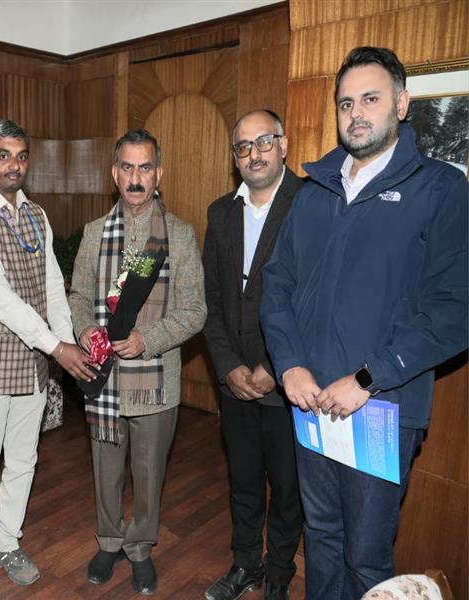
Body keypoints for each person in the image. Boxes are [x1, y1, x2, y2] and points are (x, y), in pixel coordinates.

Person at [261, 46, 468, 599]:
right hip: (311, 404)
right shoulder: (315, 192)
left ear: (401, 104)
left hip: (381, 407)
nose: (356, 113)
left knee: (367, 554)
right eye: (346, 102)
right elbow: (277, 286)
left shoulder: (441, 189)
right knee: (321, 536)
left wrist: (367, 378)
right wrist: (290, 367)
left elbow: (455, 309)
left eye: (370, 99)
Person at [0, 119, 96, 600]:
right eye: (2, 155)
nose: (13, 165)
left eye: (20, 156)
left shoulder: (36, 215)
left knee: (23, 463)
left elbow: (52, 285)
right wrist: (58, 348)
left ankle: (5, 543)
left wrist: (67, 343)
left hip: (33, 366)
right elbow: (0, 298)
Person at [68, 129, 207, 595]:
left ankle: (141, 547)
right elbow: (78, 296)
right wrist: (84, 330)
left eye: (144, 167)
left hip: (155, 379)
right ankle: (109, 541)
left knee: (148, 476)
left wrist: (147, 338)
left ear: (158, 173)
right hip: (103, 378)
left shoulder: (178, 236)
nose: (135, 177)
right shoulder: (94, 233)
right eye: (127, 167)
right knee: (105, 471)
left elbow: (195, 311)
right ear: (114, 173)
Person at [202, 109, 304, 600]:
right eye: (243, 146)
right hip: (235, 382)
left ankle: (278, 574)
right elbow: (212, 299)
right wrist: (229, 368)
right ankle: (245, 565)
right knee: (243, 483)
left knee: (287, 489)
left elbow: (313, 300)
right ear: (234, 157)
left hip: (288, 383)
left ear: (283, 145)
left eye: (264, 142)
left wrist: (273, 368)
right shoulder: (220, 212)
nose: (254, 154)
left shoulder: (310, 203)